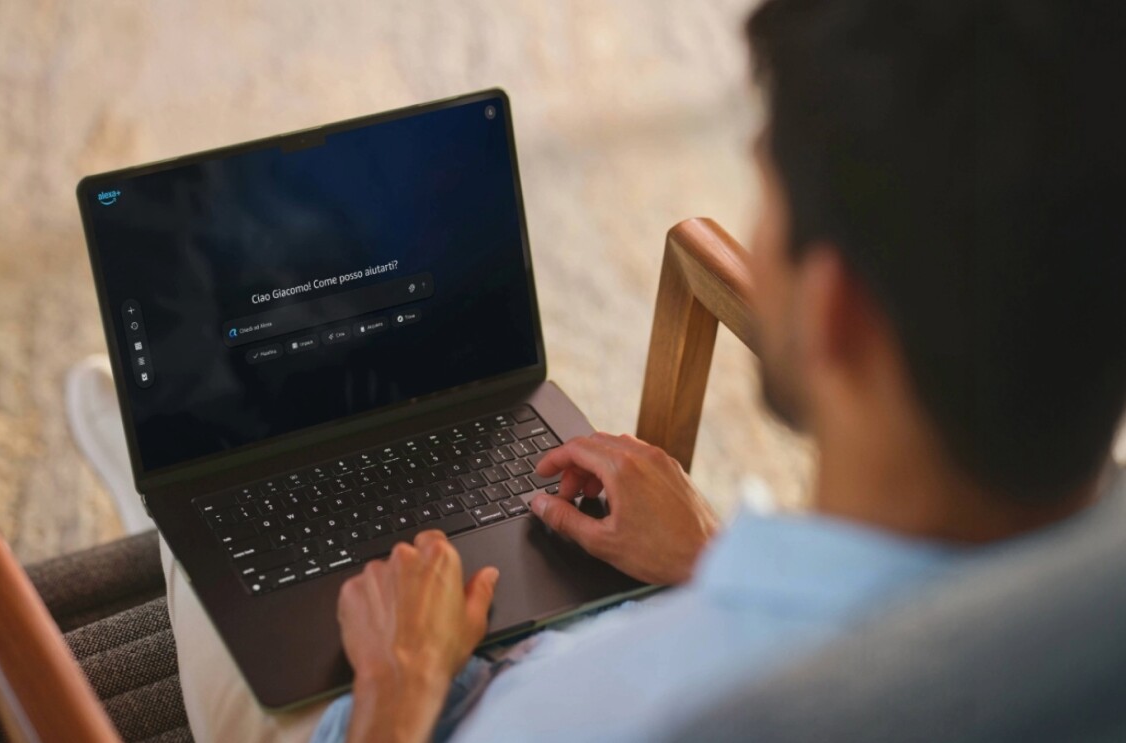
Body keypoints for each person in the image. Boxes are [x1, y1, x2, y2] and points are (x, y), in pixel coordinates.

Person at [133, 1, 1126, 740]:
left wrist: (396, 686)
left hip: (418, 700)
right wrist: (711, 557)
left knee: (200, 510)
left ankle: (120, 417)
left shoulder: (608, 715)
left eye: (768, 193)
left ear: (835, 312)